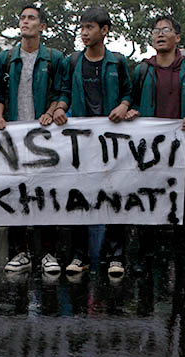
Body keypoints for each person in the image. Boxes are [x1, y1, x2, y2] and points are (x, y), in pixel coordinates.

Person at [126, 14, 185, 276]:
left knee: (180, 205)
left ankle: (183, 256)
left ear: (177, 37)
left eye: (166, 30)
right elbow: (133, 100)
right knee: (148, 202)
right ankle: (145, 256)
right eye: (156, 30)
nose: (160, 34)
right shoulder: (142, 70)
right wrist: (132, 111)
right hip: (149, 150)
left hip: (181, 148)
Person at [0, 4, 69, 275]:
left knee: (46, 192)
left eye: (32, 18)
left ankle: (48, 253)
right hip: (13, 137)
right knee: (15, 193)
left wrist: (51, 112)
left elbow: (62, 91)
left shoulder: (55, 58)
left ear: (42, 26)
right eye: (22, 18)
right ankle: (18, 251)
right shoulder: (4, 59)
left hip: (44, 137)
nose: (25, 22)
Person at [59, 7, 133, 277]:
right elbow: (65, 91)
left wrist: (125, 105)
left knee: (114, 196)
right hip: (82, 142)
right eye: (82, 28)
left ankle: (116, 255)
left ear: (104, 31)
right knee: (80, 196)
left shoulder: (118, 61)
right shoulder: (73, 61)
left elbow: (129, 91)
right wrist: (60, 107)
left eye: (90, 27)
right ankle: (80, 255)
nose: (84, 33)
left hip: (113, 141)